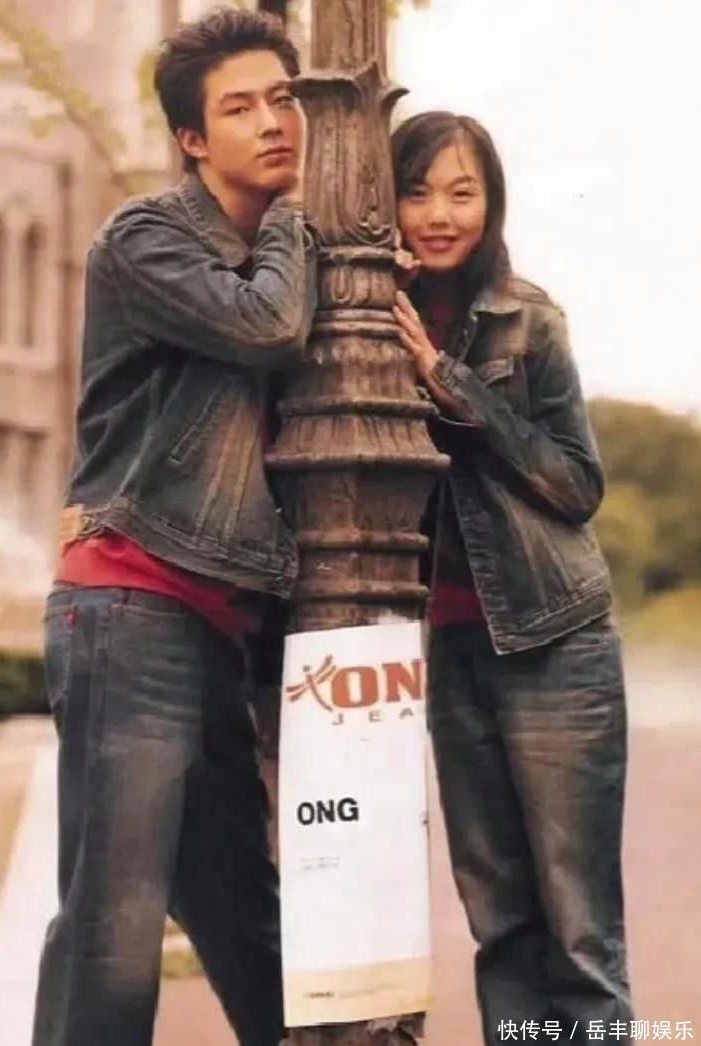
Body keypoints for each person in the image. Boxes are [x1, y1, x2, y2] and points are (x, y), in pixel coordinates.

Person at [31, 9, 315, 1046]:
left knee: (244, 914)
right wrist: (294, 221)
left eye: (283, 98)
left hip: (214, 625)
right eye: (240, 108)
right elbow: (265, 325)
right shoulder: (147, 237)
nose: (273, 122)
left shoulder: (287, 251)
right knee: (113, 930)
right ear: (192, 139)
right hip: (130, 604)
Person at [390, 111, 633, 1044]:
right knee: (499, 923)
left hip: (553, 641)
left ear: (490, 204)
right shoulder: (365, 315)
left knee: (577, 930)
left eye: (461, 193)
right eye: (416, 192)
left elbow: (576, 486)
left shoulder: (526, 319)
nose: (438, 215)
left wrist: (446, 382)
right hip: (450, 648)